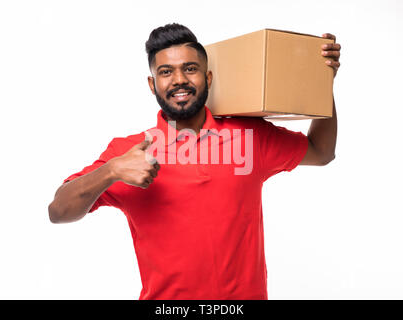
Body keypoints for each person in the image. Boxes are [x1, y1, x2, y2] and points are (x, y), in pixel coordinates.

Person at [48, 23, 341, 300]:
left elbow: (320, 151)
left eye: (190, 69)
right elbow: (58, 211)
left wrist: (322, 81)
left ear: (208, 77)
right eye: (166, 72)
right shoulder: (131, 152)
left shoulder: (250, 137)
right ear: (152, 84)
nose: (179, 80)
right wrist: (111, 171)